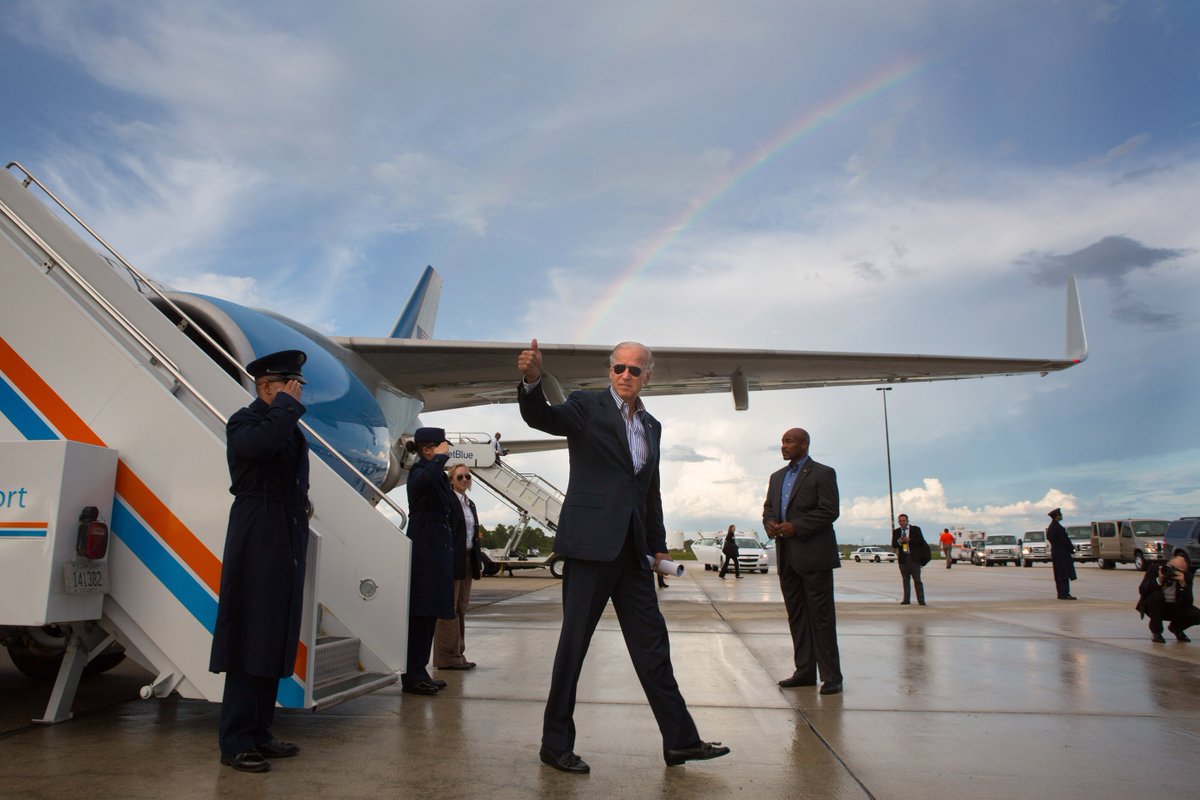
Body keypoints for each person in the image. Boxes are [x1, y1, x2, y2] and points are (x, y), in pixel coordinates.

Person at [517, 338, 729, 774]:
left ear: (647, 376)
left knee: (653, 648)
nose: (626, 376)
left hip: (633, 554)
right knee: (573, 648)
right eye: (619, 369)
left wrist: (658, 545)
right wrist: (532, 380)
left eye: (635, 370)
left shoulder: (652, 427)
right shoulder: (585, 406)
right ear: (608, 371)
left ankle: (680, 741)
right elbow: (543, 417)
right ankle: (554, 744)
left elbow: (649, 492)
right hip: (589, 548)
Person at [209, 350, 311, 773]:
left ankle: (261, 731)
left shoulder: (287, 426)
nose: (298, 392)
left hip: (284, 532)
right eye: (291, 385)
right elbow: (261, 447)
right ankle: (235, 740)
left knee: (273, 633)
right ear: (266, 386)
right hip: (258, 533)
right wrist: (285, 407)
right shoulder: (245, 421)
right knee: (250, 632)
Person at [762, 428, 843, 695]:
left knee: (821, 618)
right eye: (782, 441)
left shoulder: (823, 473)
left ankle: (831, 676)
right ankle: (805, 671)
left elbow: (829, 511)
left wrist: (796, 526)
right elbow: (769, 508)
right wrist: (770, 523)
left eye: (789, 441)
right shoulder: (777, 477)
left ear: (804, 445)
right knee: (797, 616)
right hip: (787, 558)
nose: (783, 446)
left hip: (814, 556)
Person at [402, 427, 456, 695]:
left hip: (437, 544)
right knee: (419, 612)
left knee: (430, 612)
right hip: (425, 544)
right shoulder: (420, 470)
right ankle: (412, 674)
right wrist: (439, 459)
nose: (445, 450)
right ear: (426, 449)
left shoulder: (435, 472)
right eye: (440, 446)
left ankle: (419, 670)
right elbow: (422, 482)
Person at [435, 464, 483, 670]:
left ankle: (458, 653)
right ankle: (446, 656)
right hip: (452, 559)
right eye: (460, 476)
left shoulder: (469, 503)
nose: (464, 479)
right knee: (449, 608)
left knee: (461, 607)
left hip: (468, 559)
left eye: (468, 476)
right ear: (451, 480)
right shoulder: (448, 500)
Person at [1137, 555, 1200, 643]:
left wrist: (1183, 585)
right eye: (1173, 568)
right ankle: (1156, 632)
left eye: (1179, 570)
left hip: (1175, 607)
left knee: (1197, 615)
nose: (1174, 572)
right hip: (1155, 606)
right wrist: (1159, 580)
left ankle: (1176, 628)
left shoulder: (1187, 576)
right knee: (1156, 597)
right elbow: (1143, 590)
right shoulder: (1155, 569)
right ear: (1168, 564)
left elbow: (1188, 602)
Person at [892, 514, 929, 606]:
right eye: (900, 521)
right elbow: (894, 544)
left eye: (904, 521)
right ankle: (906, 599)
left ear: (907, 521)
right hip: (903, 559)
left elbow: (921, 540)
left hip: (914, 558)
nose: (902, 523)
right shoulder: (897, 531)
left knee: (917, 579)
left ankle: (921, 600)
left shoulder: (915, 529)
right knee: (905, 580)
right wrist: (899, 541)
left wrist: (909, 540)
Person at [1047, 508, 1077, 600]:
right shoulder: (1058, 528)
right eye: (1060, 514)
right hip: (1062, 553)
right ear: (1057, 516)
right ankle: (1065, 593)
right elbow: (1065, 540)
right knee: (1064, 573)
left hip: (1056, 552)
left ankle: (1060, 593)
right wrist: (1072, 549)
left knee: (1058, 573)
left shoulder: (1051, 527)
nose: (1061, 516)